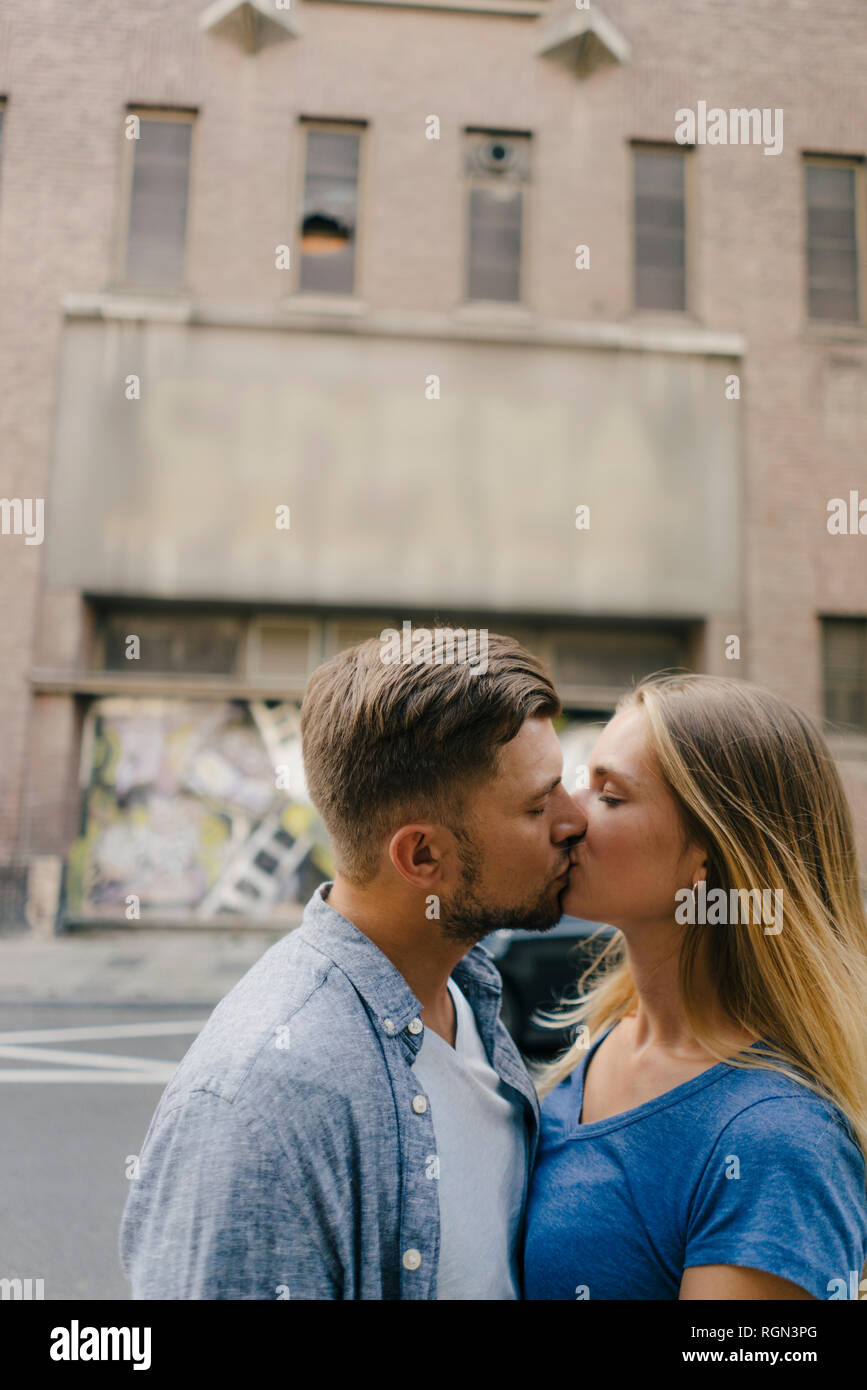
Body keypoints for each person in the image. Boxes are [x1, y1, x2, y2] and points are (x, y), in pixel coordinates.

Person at [119, 629, 585, 1299]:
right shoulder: (258, 1104)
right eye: (538, 806)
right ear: (421, 857)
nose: (574, 821)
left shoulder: (465, 992)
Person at [524, 672, 867, 1301]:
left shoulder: (776, 1140)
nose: (569, 816)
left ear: (705, 859)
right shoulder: (604, 1038)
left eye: (610, 795)